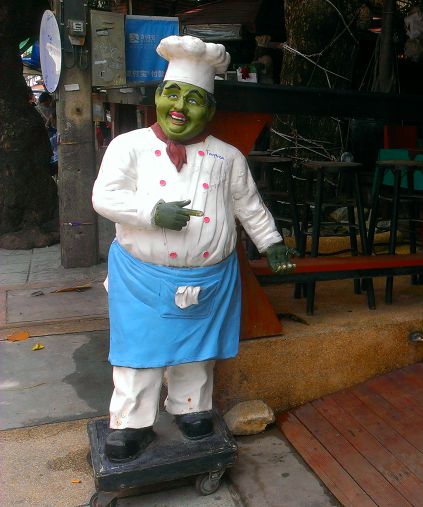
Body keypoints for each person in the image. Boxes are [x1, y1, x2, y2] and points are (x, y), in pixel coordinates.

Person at [92, 35, 296, 462]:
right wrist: (151, 213)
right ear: (158, 97)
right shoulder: (128, 146)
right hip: (142, 278)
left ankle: (191, 408)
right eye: (172, 94)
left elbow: (248, 205)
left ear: (210, 109)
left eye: (193, 99)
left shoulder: (228, 157)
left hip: (208, 279)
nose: (180, 107)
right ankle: (131, 423)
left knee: (197, 353)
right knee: (140, 353)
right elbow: (104, 198)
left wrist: (271, 242)